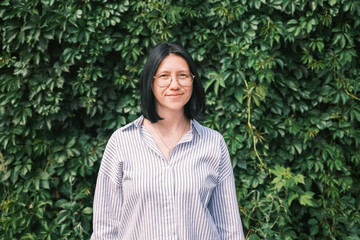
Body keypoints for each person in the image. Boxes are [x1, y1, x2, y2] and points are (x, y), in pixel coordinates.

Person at [91, 42, 245, 239]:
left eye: (183, 75)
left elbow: (229, 228)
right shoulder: (121, 142)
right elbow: (106, 227)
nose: (175, 84)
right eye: (164, 76)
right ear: (150, 82)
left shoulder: (213, 143)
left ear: (193, 81)